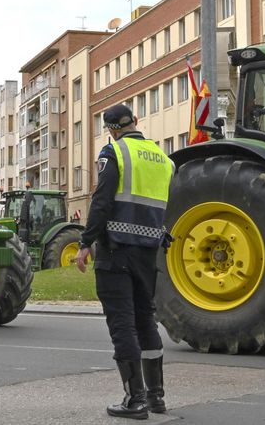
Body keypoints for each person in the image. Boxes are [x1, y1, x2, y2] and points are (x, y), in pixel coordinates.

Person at [74, 104, 174, 420]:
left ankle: (135, 401)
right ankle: (156, 397)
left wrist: (85, 243)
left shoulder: (114, 152)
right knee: (145, 320)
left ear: (111, 129)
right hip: (148, 253)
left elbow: (102, 202)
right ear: (137, 121)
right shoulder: (163, 159)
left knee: (122, 325)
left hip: (115, 251)